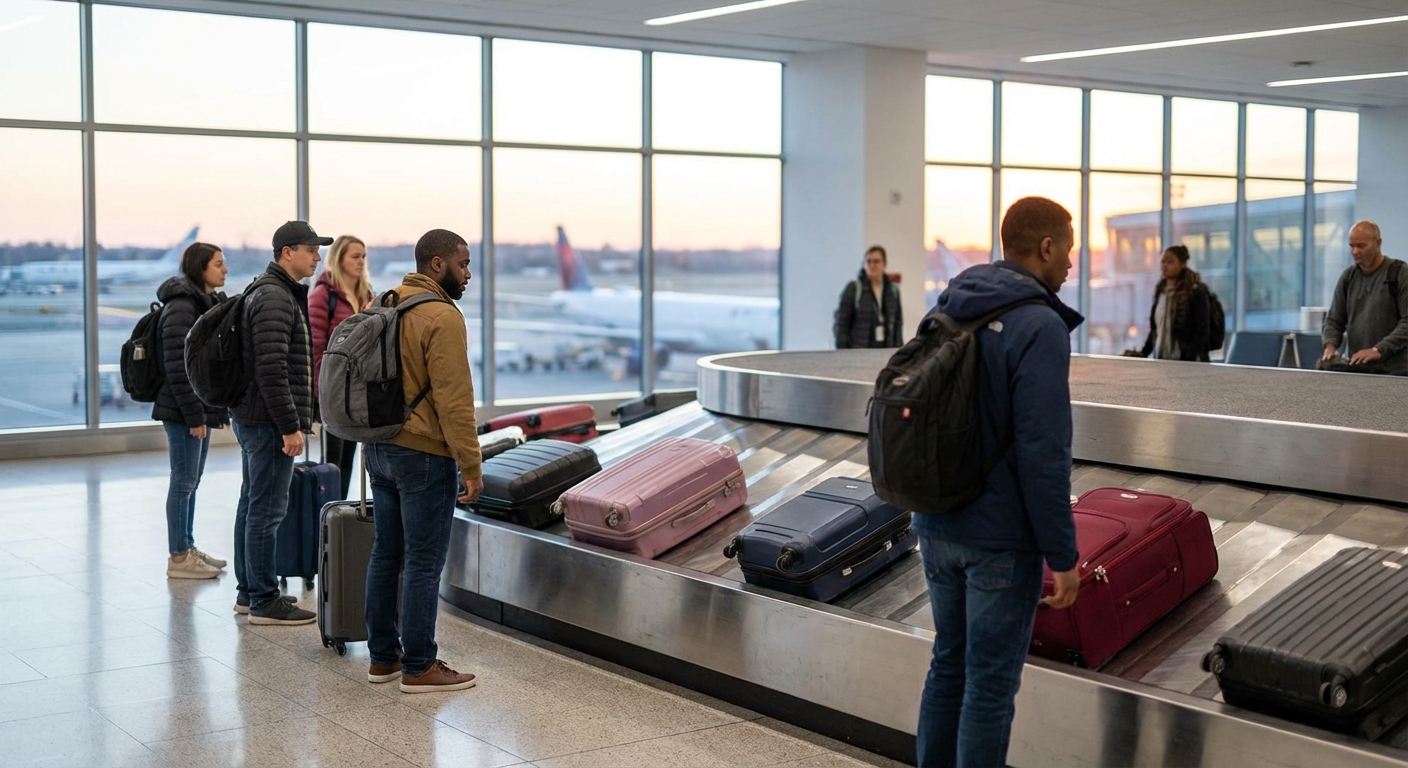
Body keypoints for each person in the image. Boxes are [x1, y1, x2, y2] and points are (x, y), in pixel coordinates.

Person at [914, 196, 1082, 768]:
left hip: (937, 521)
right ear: (1046, 247)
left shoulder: (952, 305)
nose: (1071, 265)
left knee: (948, 665)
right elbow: (1043, 454)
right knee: (987, 687)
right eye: (1069, 249)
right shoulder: (1039, 325)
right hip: (1000, 540)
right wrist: (1063, 554)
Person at [364, 229, 485, 693]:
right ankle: (419, 665)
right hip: (425, 454)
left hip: (380, 447)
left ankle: (382, 659)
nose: (468, 273)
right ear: (438, 265)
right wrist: (470, 466)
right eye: (463, 263)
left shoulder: (384, 302)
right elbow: (455, 402)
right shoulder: (441, 317)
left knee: (386, 553)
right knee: (422, 561)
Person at [230, 220, 328, 625]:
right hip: (267, 421)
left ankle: (248, 591)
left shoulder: (273, 291)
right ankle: (264, 601)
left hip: (255, 417)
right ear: (287, 252)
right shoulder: (274, 297)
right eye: (310, 249)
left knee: (252, 505)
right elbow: (271, 370)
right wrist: (290, 425)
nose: (317, 257)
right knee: (266, 512)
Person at [154, 242, 230, 579]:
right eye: (218, 264)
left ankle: (186, 546)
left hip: (196, 408)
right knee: (183, 482)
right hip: (183, 410)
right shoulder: (182, 308)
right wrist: (194, 415)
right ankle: (179, 557)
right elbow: (177, 367)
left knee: (192, 481)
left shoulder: (204, 302)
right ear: (201, 268)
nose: (224, 269)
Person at [310, 234, 373, 499]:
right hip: (333, 389)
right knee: (332, 460)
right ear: (339, 259)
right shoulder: (324, 294)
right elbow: (315, 348)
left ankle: (340, 516)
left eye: (363, 256)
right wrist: (321, 392)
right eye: (354, 256)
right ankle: (327, 517)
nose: (360, 262)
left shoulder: (367, 294)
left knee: (349, 457)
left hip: (358, 390)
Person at [1322, 220, 1408, 375]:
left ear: (1378, 243)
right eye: (1351, 246)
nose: (1355, 252)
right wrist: (1330, 346)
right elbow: (1334, 319)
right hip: (1359, 371)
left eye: (1361, 246)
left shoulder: (1400, 273)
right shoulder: (1349, 277)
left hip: (1396, 373)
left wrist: (1378, 350)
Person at [1130, 245, 1212, 362]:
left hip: (1188, 364)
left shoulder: (1195, 292)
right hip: (1162, 360)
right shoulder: (1161, 291)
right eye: (1163, 261)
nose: (1165, 265)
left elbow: (1202, 331)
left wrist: (1188, 359)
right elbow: (1155, 329)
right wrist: (1144, 353)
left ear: (1182, 264)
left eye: (1170, 262)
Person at [834, 246, 903, 349]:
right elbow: (841, 323)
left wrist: (898, 351)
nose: (872, 265)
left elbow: (898, 325)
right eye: (868, 262)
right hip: (859, 350)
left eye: (876, 261)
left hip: (886, 349)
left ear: (884, 264)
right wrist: (843, 352)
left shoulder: (893, 291)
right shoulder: (854, 289)